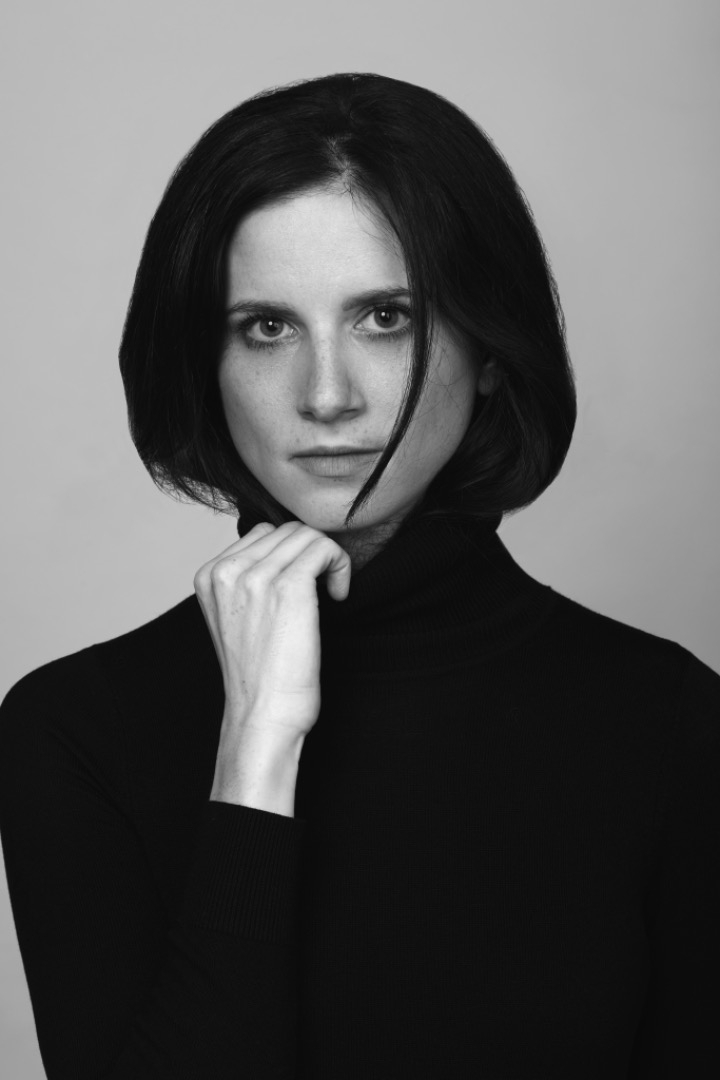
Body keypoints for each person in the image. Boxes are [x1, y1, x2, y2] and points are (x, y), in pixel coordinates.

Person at [0, 71, 718, 1080]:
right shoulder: (74, 730)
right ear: (206, 366)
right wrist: (256, 754)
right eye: (267, 327)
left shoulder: (667, 721)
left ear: (490, 348)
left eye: (385, 317)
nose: (326, 395)